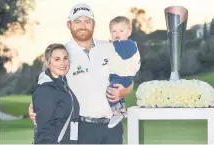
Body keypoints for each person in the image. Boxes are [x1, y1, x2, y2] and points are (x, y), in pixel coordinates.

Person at [29, 3, 133, 144]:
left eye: (87, 21)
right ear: (69, 24)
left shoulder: (109, 47)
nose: (82, 26)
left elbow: (128, 78)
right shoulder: (62, 53)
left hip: (113, 126)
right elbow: (45, 82)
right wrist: (35, 107)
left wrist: (124, 91)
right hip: (82, 127)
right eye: (77, 21)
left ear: (94, 24)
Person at [32, 43, 79, 144]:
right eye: (57, 59)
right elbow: (44, 130)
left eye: (65, 58)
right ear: (48, 63)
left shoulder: (63, 84)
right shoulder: (45, 89)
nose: (63, 63)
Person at [107, 16, 141, 128]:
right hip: (116, 76)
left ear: (129, 32)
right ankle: (122, 110)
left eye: (121, 31)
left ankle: (116, 113)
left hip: (124, 77)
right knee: (116, 92)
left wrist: (108, 44)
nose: (117, 34)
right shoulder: (116, 45)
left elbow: (120, 50)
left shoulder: (128, 45)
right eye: (113, 31)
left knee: (111, 91)